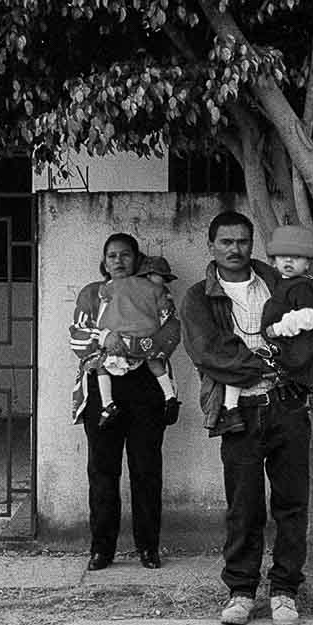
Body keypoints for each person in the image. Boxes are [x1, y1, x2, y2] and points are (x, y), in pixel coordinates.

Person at [181, 211, 313, 625]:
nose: (235, 249)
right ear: (211, 245)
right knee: (243, 507)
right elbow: (209, 352)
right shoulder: (198, 297)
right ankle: (241, 591)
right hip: (238, 412)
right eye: (225, 241)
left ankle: (284, 591)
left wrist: (288, 370)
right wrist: (264, 367)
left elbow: (311, 335)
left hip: (288, 407)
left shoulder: (280, 282)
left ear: (252, 244)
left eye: (243, 241)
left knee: (292, 504)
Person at [69, 233, 180, 571]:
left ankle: (149, 547)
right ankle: (102, 549)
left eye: (126, 255)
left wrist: (131, 346)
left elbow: (169, 333)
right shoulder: (92, 294)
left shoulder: (156, 293)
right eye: (112, 256)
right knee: (102, 471)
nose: (118, 261)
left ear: (137, 260)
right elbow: (77, 336)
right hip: (102, 390)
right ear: (104, 262)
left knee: (146, 469)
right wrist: (106, 339)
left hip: (146, 388)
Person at [212, 224, 313, 434]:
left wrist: (280, 328)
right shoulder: (279, 283)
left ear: (308, 263)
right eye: (283, 257)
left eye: (297, 257)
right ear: (273, 260)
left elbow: (309, 316)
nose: (289, 262)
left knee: (242, 363)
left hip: (287, 350)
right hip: (276, 350)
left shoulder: (300, 287)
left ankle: (231, 409)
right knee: (239, 362)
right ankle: (231, 410)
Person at [91, 253, 180, 424]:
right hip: (146, 341)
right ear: (148, 274)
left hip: (124, 341)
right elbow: (166, 316)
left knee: (101, 365)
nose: (164, 281)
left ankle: (107, 404)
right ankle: (170, 396)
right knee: (155, 363)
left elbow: (104, 297)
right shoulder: (160, 292)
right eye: (162, 277)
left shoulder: (120, 286)